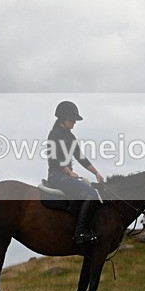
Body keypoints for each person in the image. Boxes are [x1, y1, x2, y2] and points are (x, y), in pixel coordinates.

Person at [46, 100, 105, 245]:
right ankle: (80, 232)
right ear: (63, 119)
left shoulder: (70, 137)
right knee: (91, 194)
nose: (74, 122)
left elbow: (80, 157)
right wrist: (68, 171)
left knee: (92, 190)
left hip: (65, 175)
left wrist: (96, 173)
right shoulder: (54, 134)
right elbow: (53, 158)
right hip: (56, 176)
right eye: (72, 119)